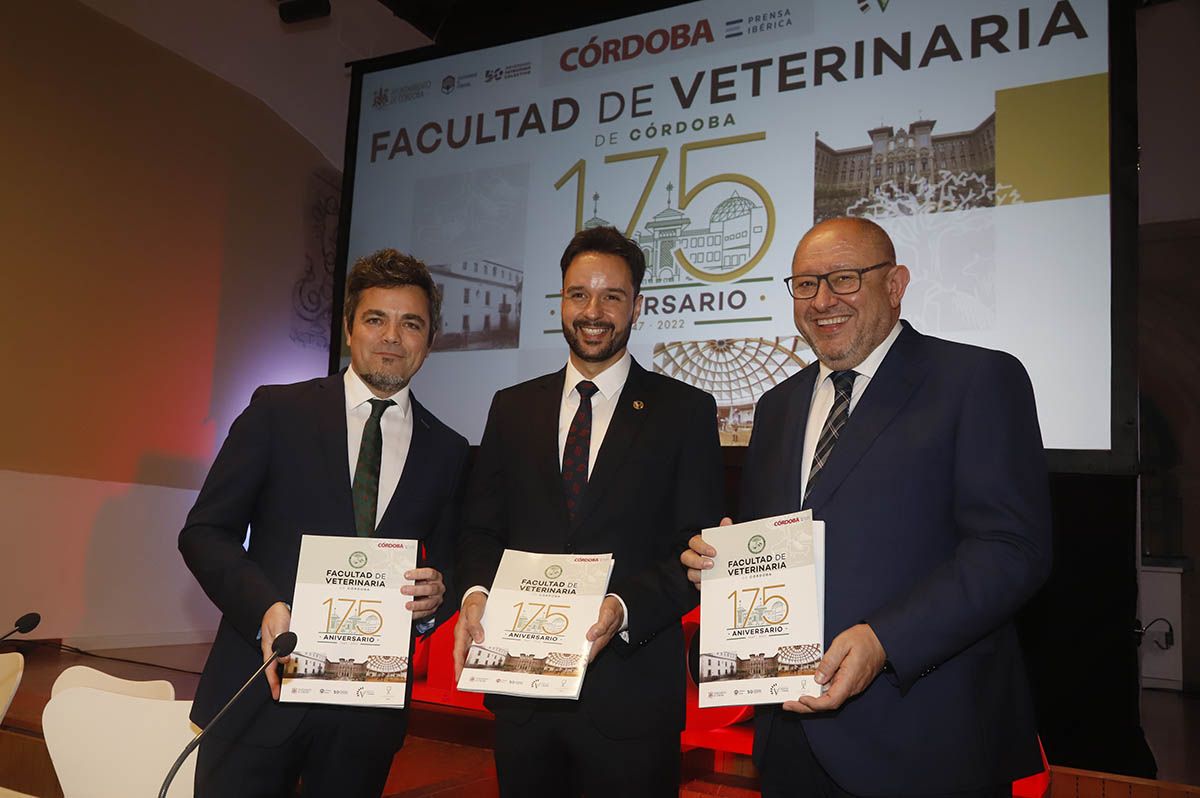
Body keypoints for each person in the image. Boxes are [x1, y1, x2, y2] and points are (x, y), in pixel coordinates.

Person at [682, 217, 1052, 797]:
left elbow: (1011, 551)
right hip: (791, 738)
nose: (823, 300)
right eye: (805, 284)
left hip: (926, 736)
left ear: (896, 284)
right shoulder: (778, 406)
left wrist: (885, 640)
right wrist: (721, 568)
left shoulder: (977, 378)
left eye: (845, 278)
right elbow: (773, 543)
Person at [179, 249, 468, 797]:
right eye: (375, 319)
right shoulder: (277, 412)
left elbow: (449, 561)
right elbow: (204, 532)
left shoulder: (449, 450)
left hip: (367, 711)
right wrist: (263, 607)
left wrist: (440, 593)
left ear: (430, 341)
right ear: (348, 328)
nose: (391, 337)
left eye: (411, 324)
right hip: (257, 691)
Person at [453, 226, 724, 797]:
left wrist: (624, 608)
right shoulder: (511, 407)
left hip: (631, 699)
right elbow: (481, 528)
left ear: (638, 306)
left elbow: (697, 551)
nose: (593, 311)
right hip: (520, 692)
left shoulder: (685, 412)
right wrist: (477, 591)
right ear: (560, 302)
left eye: (612, 296)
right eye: (579, 294)